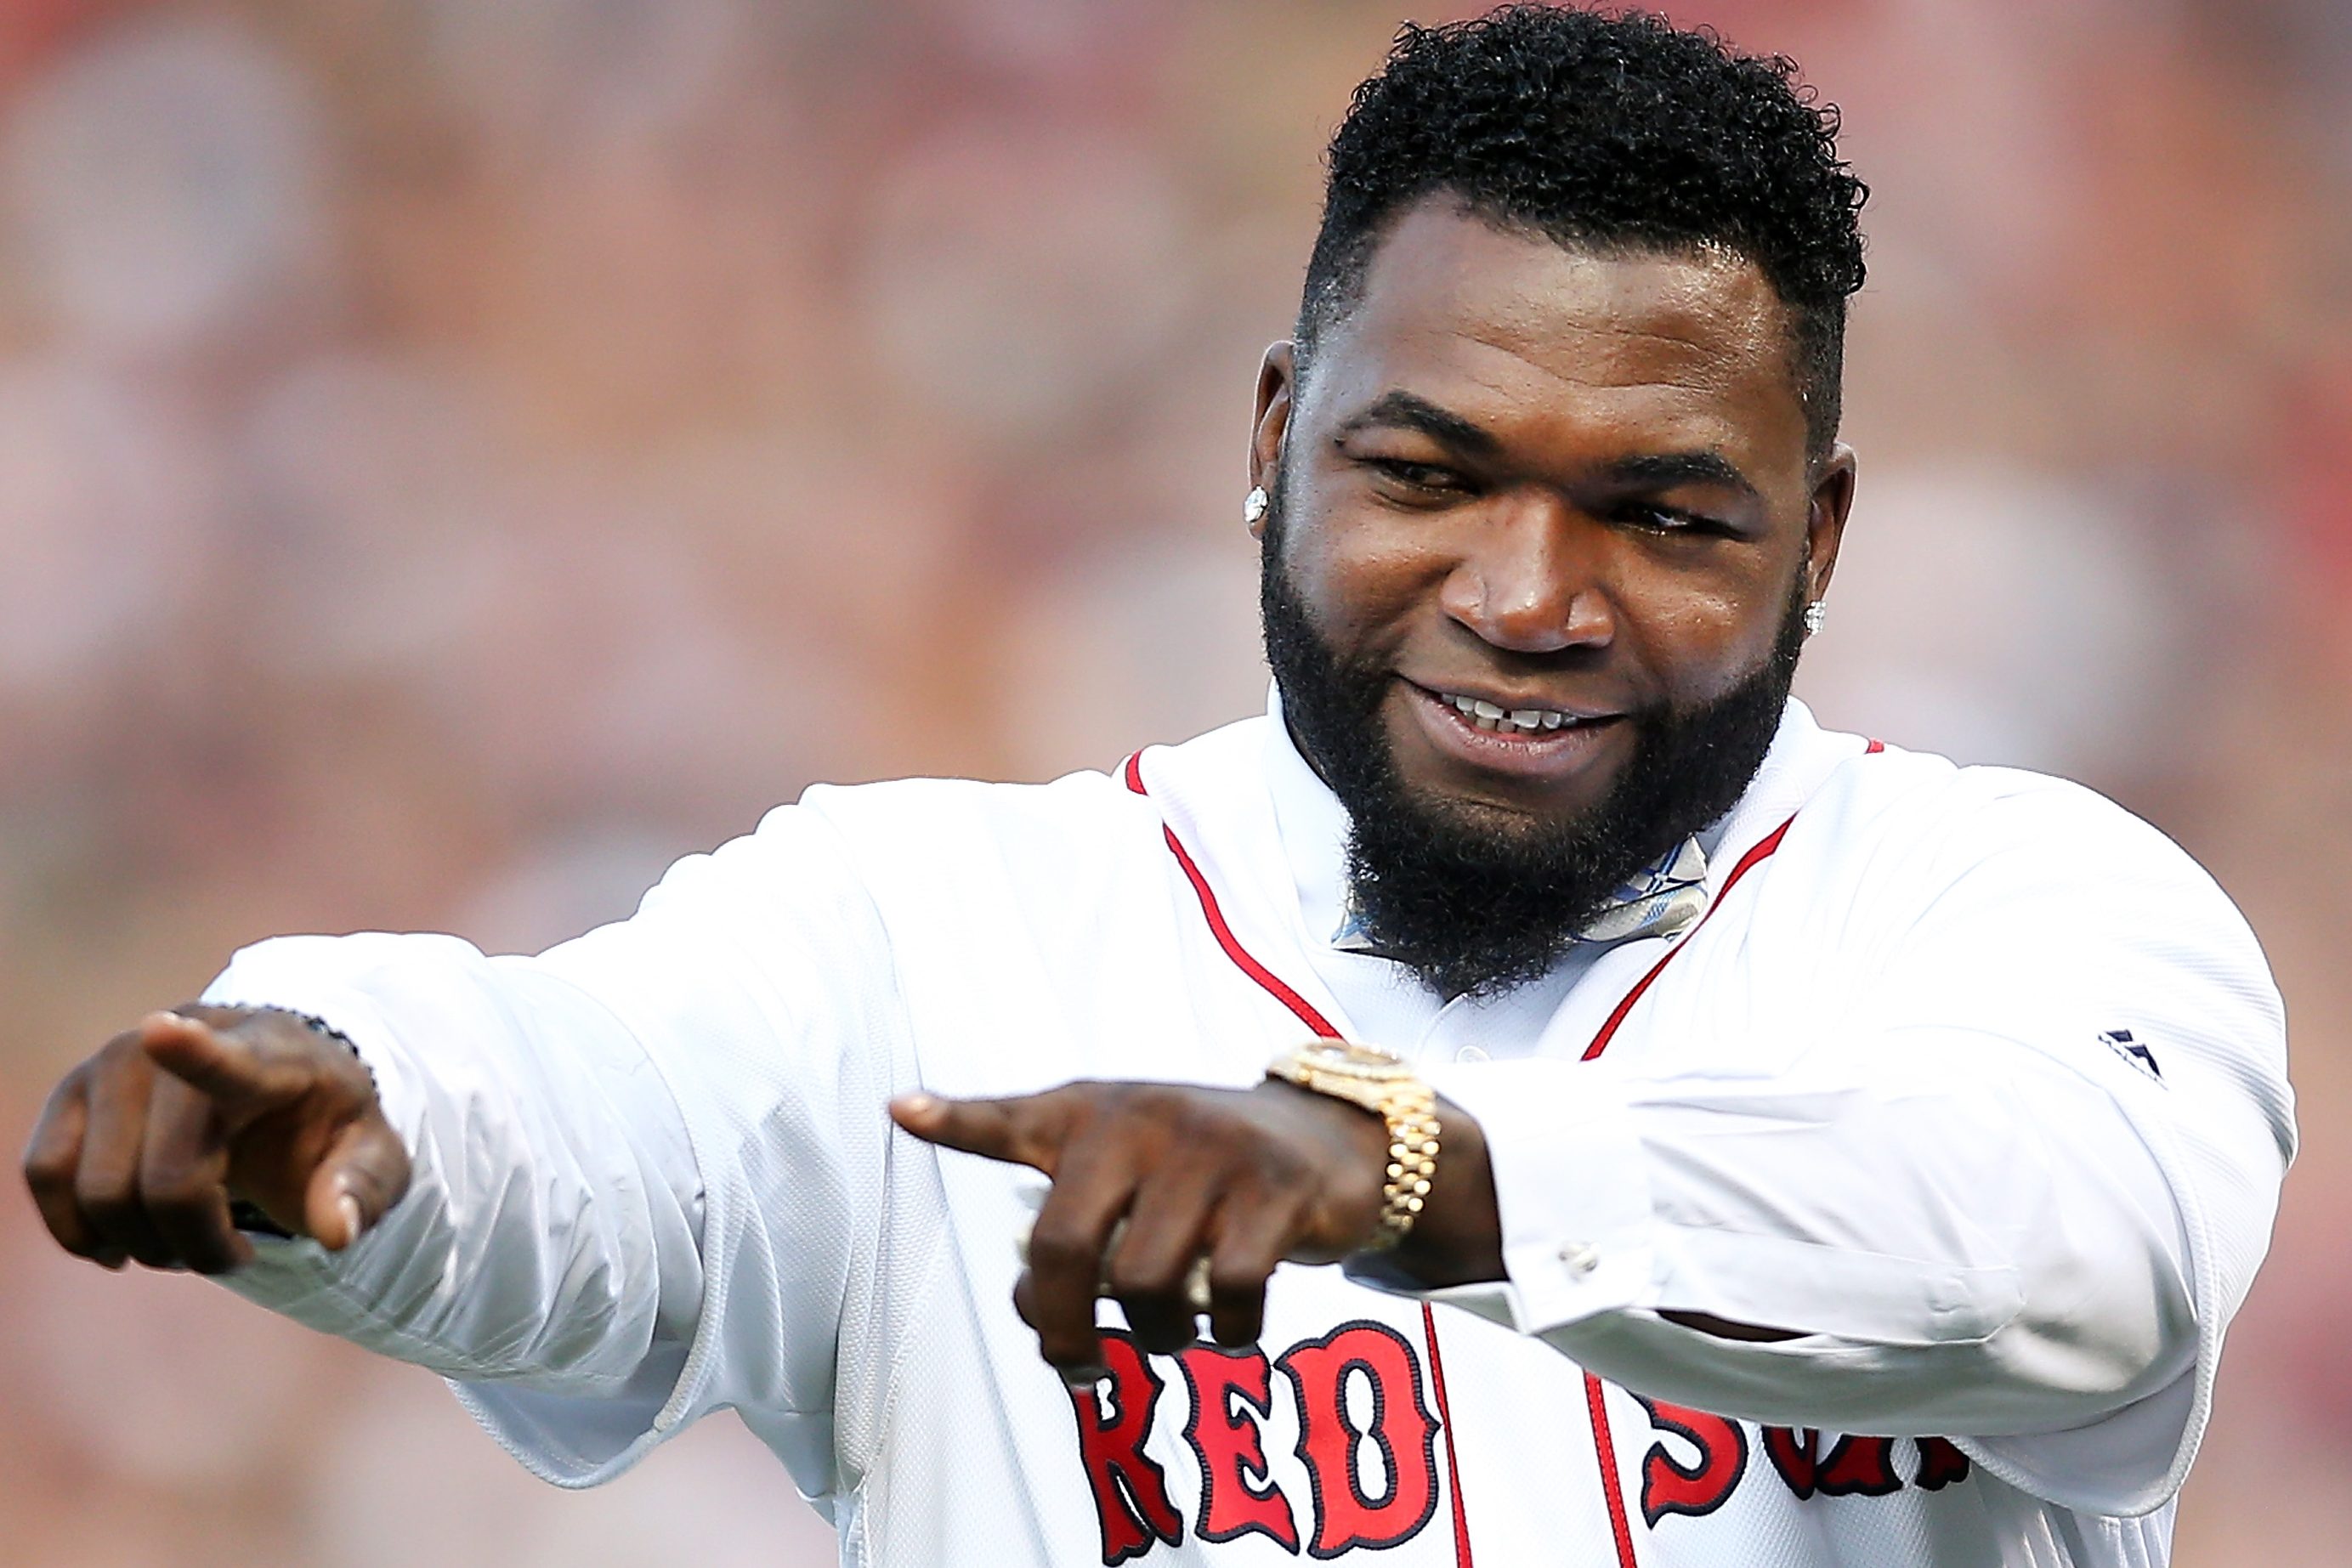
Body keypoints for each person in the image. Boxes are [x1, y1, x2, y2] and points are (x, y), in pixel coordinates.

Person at [19, 8, 2293, 1566]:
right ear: (1273, 438)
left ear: (1820, 538)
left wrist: (1412, 1167)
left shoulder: (2024, 920)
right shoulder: (937, 932)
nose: (1529, 593)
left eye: (1666, 516)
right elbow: (599, 1123)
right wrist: (347, 1084)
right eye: (1429, 471)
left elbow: (2078, 1246)